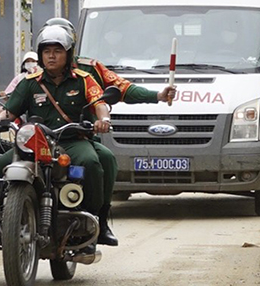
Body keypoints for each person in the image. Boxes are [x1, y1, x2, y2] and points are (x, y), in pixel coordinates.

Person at [43, 18, 177, 246]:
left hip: (80, 136)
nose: (53, 54)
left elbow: (124, 89)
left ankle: (100, 220)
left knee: (104, 160)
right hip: (41, 138)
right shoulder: (36, 74)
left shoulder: (90, 69)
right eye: (48, 48)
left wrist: (158, 96)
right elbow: (14, 102)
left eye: (60, 46)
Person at [0, 26, 112, 254]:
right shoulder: (30, 82)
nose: (51, 56)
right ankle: (3, 218)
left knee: (92, 163)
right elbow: (10, 111)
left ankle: (94, 222)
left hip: (72, 141)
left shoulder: (84, 80)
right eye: (47, 51)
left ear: (68, 54)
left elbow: (99, 103)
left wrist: (103, 119)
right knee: (1, 165)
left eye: (57, 51)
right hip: (36, 143)